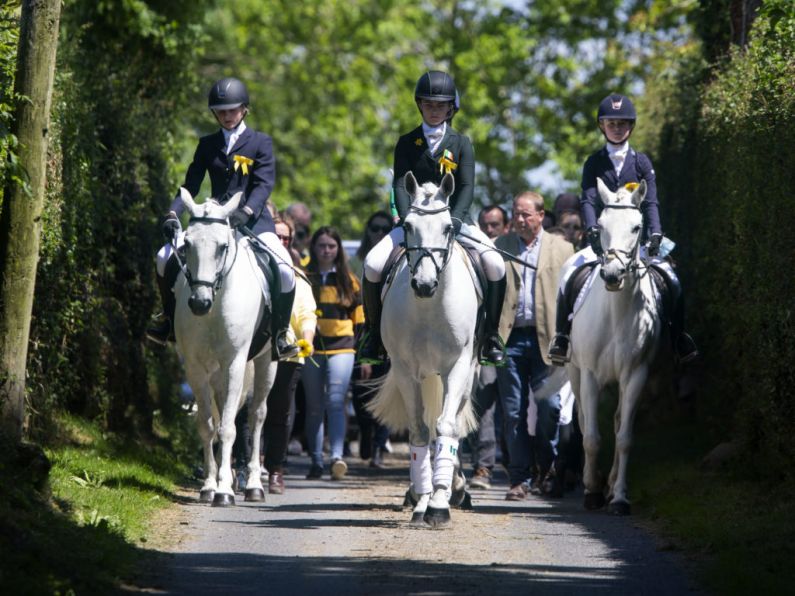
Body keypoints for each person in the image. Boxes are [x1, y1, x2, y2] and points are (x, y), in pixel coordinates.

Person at [358, 70, 507, 366]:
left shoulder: (461, 143)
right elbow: (400, 183)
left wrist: (455, 219)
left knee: (495, 263)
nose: (434, 110)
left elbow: (465, 186)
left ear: (450, 107)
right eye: (428, 104)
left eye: (440, 105)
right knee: (373, 264)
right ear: (420, 105)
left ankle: (490, 336)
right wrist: (404, 219)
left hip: (453, 221)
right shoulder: (406, 142)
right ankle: (373, 335)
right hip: (415, 222)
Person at [147, 77, 298, 360]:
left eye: (232, 110)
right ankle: (167, 319)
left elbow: (263, 185)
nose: (227, 116)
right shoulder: (207, 144)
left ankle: (280, 333)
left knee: (285, 268)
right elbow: (190, 184)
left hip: (253, 221)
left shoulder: (260, 142)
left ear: (244, 109)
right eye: (221, 111)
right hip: (213, 222)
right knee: (163, 255)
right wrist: (172, 212)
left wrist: (247, 212)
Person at [547, 93, 698, 365]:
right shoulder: (594, 162)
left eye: (622, 123)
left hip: (633, 241)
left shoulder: (641, 163)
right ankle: (562, 337)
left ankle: (678, 337)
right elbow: (588, 199)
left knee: (672, 279)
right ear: (602, 126)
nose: (617, 128)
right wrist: (591, 229)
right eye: (611, 122)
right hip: (603, 240)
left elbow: (650, 201)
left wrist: (656, 232)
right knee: (569, 272)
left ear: (631, 126)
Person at [494, 191, 573, 501]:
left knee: (550, 408)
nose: (520, 219)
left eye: (526, 214)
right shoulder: (499, 247)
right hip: (509, 340)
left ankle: (547, 467)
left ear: (541, 216)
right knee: (513, 412)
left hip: (549, 340)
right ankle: (519, 479)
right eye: (516, 213)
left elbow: (572, 297)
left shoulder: (564, 249)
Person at [259, 216, 317, 494]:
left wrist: (307, 340)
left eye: (285, 238)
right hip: (254, 352)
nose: (281, 242)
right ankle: (245, 463)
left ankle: (275, 469)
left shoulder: (298, 277)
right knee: (249, 409)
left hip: (289, 355)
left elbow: (306, 313)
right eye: (276, 236)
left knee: (280, 413)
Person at [302, 226, 364, 480]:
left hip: (343, 347)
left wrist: (361, 351)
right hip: (311, 348)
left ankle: (336, 457)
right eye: (321, 246)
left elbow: (359, 319)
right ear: (314, 248)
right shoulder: (304, 276)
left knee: (336, 402)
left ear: (338, 250)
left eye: (331, 246)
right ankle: (316, 460)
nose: (326, 250)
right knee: (314, 406)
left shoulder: (349, 280)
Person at [468, 204, 510, 489]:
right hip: (480, 340)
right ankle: (483, 466)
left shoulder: (509, 252)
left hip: (516, 338)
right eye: (485, 225)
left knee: (516, 409)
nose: (490, 230)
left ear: (505, 228)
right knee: (482, 405)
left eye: (495, 225)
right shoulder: (473, 254)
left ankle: (524, 467)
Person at [348, 211, 393, 469]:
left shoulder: (397, 258)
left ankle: (378, 448)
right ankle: (365, 430)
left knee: (385, 388)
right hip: (362, 329)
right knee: (360, 390)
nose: (378, 233)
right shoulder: (355, 263)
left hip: (390, 331)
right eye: (374, 228)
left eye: (384, 229)